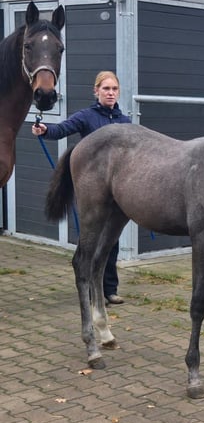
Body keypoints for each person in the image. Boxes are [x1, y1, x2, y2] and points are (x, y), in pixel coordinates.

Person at [33, 71, 131, 305]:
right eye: (106, 89)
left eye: (114, 89)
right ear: (96, 91)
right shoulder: (86, 117)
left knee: (112, 240)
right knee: (92, 239)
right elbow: (63, 129)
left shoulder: (125, 122)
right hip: (95, 190)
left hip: (117, 189)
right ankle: (87, 287)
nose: (110, 93)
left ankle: (109, 289)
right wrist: (45, 130)